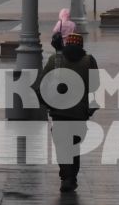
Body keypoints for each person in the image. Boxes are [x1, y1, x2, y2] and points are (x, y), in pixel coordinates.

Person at [40, 29, 96, 193]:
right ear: (81, 46)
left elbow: (44, 82)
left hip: (59, 110)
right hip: (79, 112)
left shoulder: (55, 59)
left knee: (61, 145)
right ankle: (71, 177)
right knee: (74, 145)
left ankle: (66, 177)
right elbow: (96, 85)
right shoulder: (88, 60)